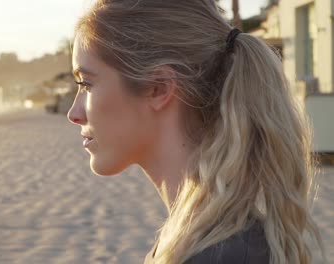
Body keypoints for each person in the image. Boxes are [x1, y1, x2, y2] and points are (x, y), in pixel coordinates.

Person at [66, 0, 325, 263]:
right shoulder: (208, 238)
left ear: (159, 88)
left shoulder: (219, 253)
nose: (74, 114)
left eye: (86, 84)